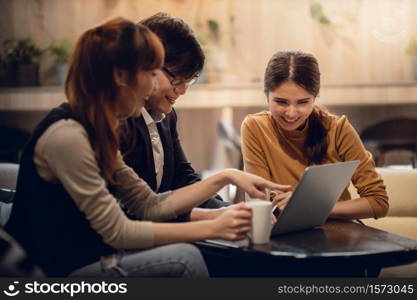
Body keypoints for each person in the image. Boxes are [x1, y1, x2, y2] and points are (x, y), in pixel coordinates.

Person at [5, 18, 289, 278]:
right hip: (51, 271)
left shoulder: (98, 129)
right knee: (186, 258)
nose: (153, 86)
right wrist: (212, 226)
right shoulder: (68, 137)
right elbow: (118, 230)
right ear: (120, 76)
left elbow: (148, 204)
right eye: (151, 73)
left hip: (89, 257)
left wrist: (227, 177)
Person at [241, 49, 388, 220]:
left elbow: (378, 202)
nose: (291, 113)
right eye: (281, 102)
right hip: (285, 234)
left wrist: (311, 207)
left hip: (337, 233)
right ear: (267, 96)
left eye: (303, 102)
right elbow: (259, 198)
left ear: (315, 97)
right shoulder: (255, 127)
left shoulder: (338, 129)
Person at [120, 13, 233, 223]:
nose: (182, 91)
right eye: (176, 79)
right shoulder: (117, 121)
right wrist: (210, 217)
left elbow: (183, 178)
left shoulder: (167, 116)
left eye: (188, 81)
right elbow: (132, 211)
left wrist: (229, 209)